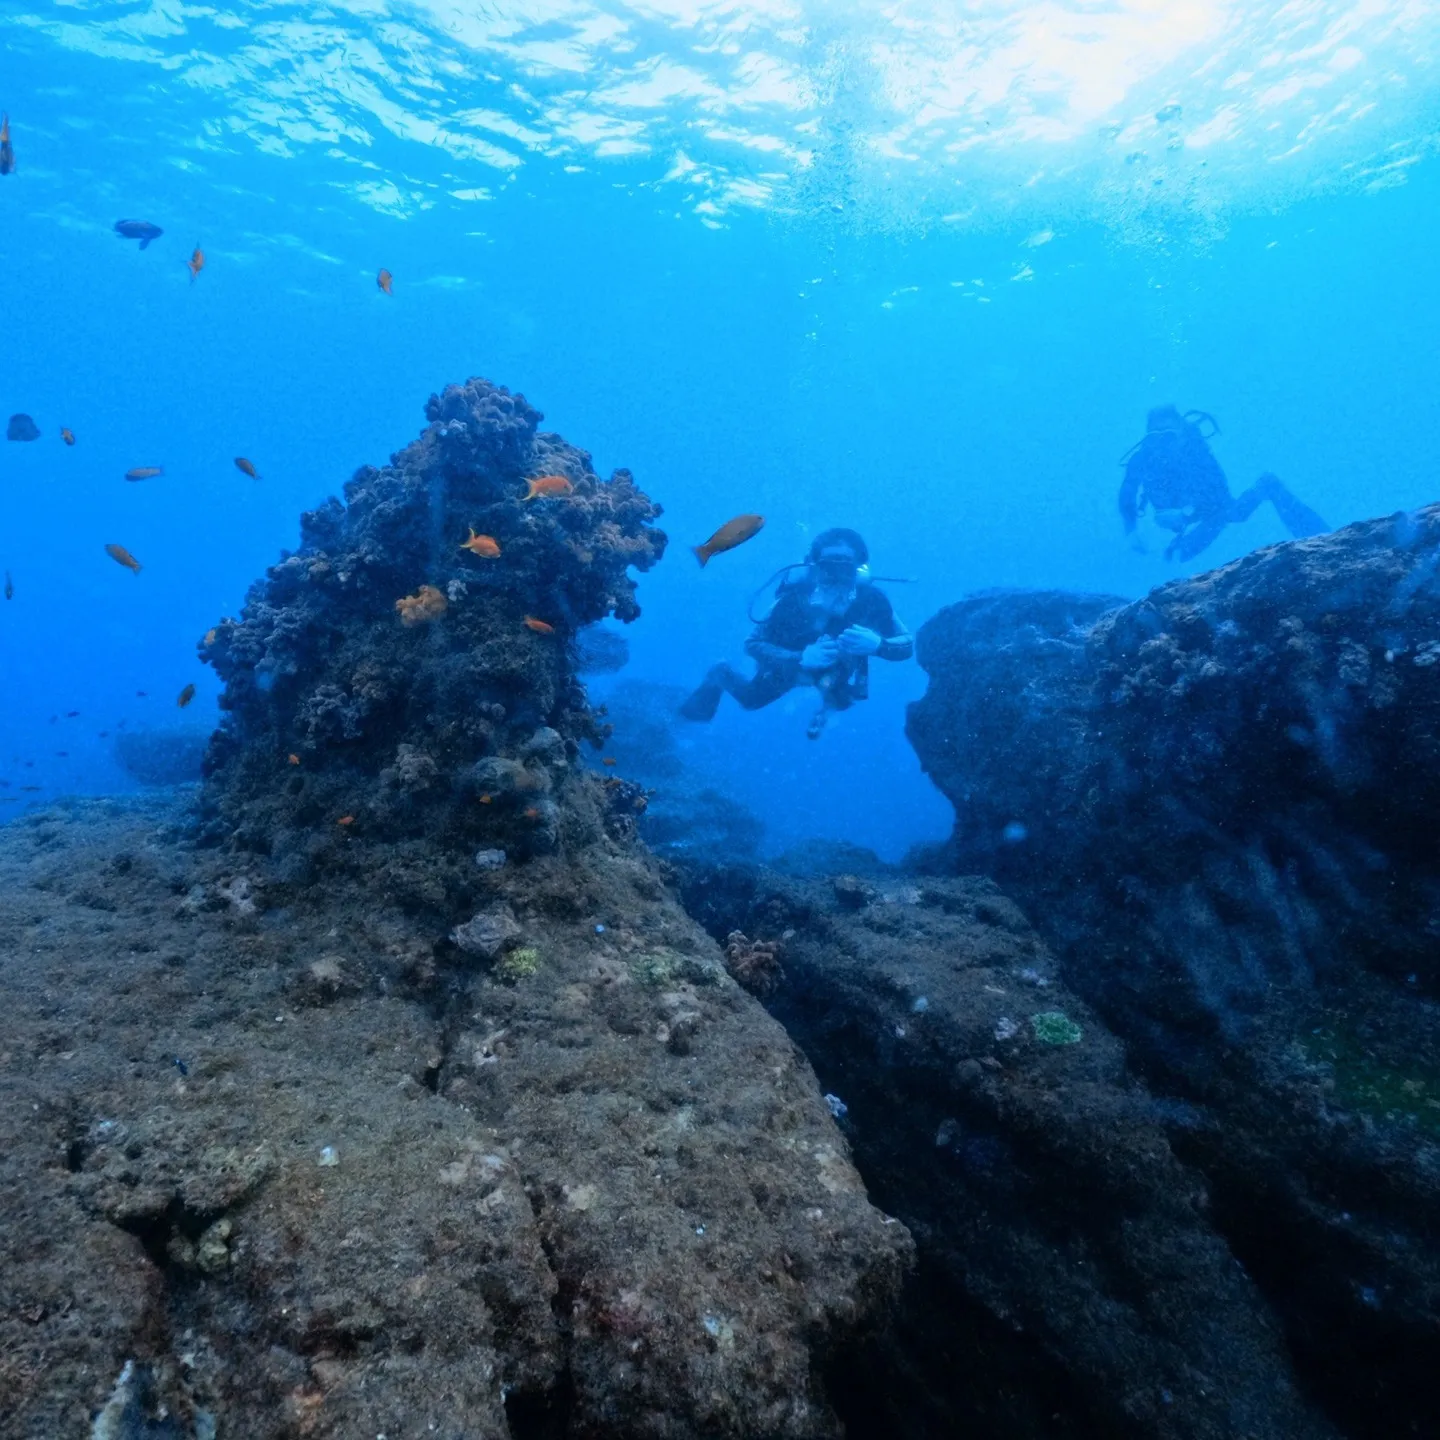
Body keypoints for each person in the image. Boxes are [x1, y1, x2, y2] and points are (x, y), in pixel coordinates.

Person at [679, 527, 913, 739]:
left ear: (859, 567)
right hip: (790, 665)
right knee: (751, 699)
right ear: (814, 566)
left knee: (842, 701)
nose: (837, 576)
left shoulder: (873, 600)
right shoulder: (792, 601)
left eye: (846, 566)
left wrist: (879, 646)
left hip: (836, 668)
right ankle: (720, 673)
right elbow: (752, 643)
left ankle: (825, 707)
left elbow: (906, 643)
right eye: (829, 566)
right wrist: (799, 658)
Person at [1119, 405, 1328, 562]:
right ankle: (1179, 552)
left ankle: (1320, 538)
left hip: (1206, 508)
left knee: (1231, 514)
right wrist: (1131, 531)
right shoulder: (1142, 459)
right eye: (1157, 436)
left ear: (1182, 433)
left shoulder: (1197, 454)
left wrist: (1185, 514)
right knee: (1185, 549)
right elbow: (1127, 494)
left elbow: (1220, 498)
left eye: (1169, 434)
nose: (1164, 443)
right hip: (1170, 513)